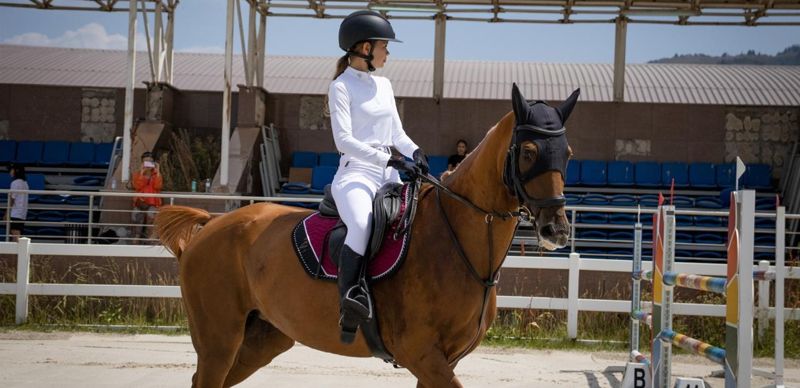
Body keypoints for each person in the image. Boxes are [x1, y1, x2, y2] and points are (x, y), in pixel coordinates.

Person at [328, 10, 429, 343]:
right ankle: (350, 300)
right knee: (362, 223)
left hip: (389, 175)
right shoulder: (340, 87)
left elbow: (397, 133)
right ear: (367, 48)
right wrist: (389, 158)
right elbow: (344, 141)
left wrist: (415, 152)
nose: (389, 52)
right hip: (355, 175)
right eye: (385, 46)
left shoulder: (384, 85)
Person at [131, 151, 163, 244]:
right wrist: (142, 172)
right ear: (142, 163)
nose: (148, 164)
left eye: (150, 161)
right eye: (146, 162)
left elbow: (158, 186)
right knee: (136, 219)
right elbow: (137, 186)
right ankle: (135, 242)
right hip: (140, 203)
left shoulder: (156, 174)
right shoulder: (137, 174)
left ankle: (150, 242)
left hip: (153, 203)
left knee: (151, 221)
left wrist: (158, 171)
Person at [5, 164, 29, 242]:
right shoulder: (25, 183)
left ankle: (18, 253)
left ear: (16, 171)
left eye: (11, 170)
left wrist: (7, 212)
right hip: (22, 213)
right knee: (16, 233)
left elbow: (12, 199)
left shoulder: (15, 183)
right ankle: (14, 253)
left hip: (16, 212)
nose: (10, 172)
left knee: (15, 234)